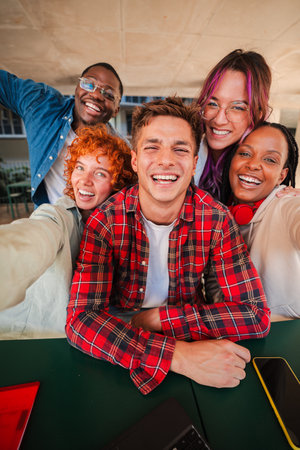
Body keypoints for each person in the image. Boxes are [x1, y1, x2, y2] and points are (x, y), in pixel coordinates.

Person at [66, 97, 270, 395]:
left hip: (189, 327)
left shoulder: (216, 219)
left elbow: (254, 315)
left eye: (180, 149)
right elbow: (81, 320)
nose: (166, 160)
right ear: (135, 160)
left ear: (194, 163)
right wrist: (178, 356)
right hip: (122, 337)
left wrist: (158, 318)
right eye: (152, 147)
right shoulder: (104, 222)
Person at [0, 125, 136, 339]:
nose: (84, 180)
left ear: (117, 183)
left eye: (99, 173)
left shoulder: (116, 229)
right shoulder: (59, 216)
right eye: (79, 168)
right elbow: (38, 233)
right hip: (24, 337)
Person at [0, 62, 126, 207]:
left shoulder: (121, 152)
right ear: (77, 88)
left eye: (109, 94)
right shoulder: (41, 105)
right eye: (88, 84)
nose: (96, 95)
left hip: (94, 227)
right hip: (49, 223)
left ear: (116, 110)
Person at [220, 122, 300, 321]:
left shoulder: (286, 205)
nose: (253, 164)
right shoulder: (219, 215)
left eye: (270, 160)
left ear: (282, 176)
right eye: (245, 154)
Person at [194, 49, 272, 200]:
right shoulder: (185, 154)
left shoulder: (263, 174)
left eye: (237, 107)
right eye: (212, 103)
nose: (219, 120)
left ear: (259, 113)